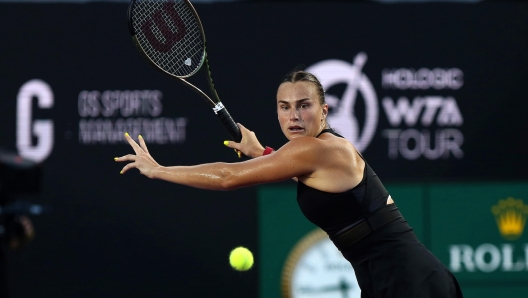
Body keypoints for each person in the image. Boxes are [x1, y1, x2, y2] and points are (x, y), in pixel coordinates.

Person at [116, 70, 463, 297]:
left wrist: (159, 169)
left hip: (410, 281)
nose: (293, 116)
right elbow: (301, 171)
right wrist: (263, 152)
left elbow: (227, 177)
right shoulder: (318, 152)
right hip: (388, 278)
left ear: (324, 110)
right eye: (284, 107)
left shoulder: (315, 149)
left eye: (304, 106)